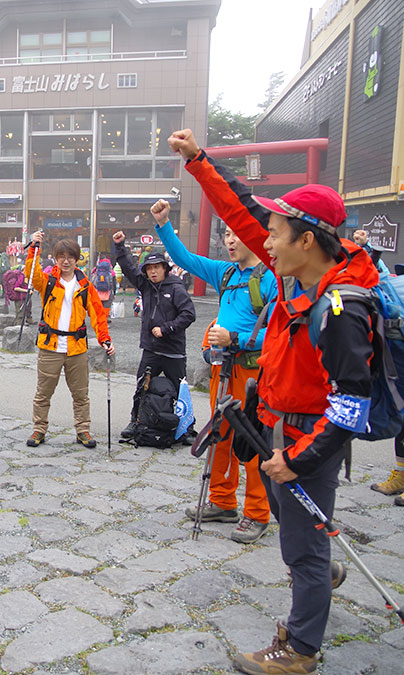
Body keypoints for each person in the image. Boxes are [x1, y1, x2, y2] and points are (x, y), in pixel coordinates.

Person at [170, 128, 374, 674]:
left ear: (307, 239)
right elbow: (241, 211)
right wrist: (199, 161)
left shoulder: (340, 308)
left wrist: (300, 458)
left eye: (278, 232)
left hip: (307, 438)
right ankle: (318, 578)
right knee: (295, 532)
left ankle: (301, 648)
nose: (267, 241)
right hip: (273, 423)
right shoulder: (296, 274)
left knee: (303, 549)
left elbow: (354, 404)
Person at [151, 199, 277, 544]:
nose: (230, 240)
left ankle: (256, 512)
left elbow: (284, 331)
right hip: (223, 371)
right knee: (220, 436)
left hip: (253, 376)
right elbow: (185, 260)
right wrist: (163, 225)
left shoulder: (270, 280)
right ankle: (222, 501)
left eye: (238, 234)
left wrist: (236, 337)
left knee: (252, 443)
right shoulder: (226, 272)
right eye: (227, 234)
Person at [24, 231, 115, 449]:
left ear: (77, 259)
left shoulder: (85, 285)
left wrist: (105, 339)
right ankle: (39, 429)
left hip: (77, 348)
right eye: (61, 256)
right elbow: (31, 273)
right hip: (50, 347)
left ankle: (83, 430)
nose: (66, 261)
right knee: (43, 392)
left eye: (70, 256)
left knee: (81, 394)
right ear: (55, 259)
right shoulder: (47, 281)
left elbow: (98, 314)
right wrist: (33, 247)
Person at [114, 234, 196, 438]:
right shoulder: (146, 286)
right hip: (151, 349)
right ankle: (136, 421)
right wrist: (119, 245)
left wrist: (166, 329)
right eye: (149, 269)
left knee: (180, 390)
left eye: (156, 268)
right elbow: (128, 268)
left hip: (173, 351)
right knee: (142, 385)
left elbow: (189, 314)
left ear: (165, 269)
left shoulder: (176, 288)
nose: (152, 272)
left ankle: (186, 427)